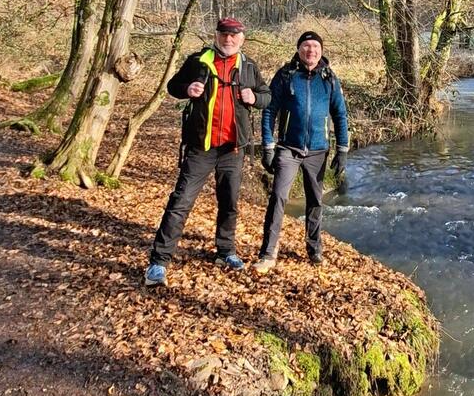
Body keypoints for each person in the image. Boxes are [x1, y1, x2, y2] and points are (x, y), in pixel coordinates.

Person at [144, 18, 269, 286]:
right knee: (181, 202)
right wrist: (187, 89)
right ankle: (158, 262)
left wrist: (255, 99)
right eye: (224, 35)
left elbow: (266, 95)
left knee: (230, 203)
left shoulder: (247, 66)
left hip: (232, 149)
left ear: (242, 39)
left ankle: (226, 252)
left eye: (234, 36)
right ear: (216, 36)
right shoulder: (198, 61)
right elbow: (173, 87)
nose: (228, 40)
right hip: (201, 147)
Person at [254, 30, 349, 273]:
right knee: (278, 197)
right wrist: (268, 146)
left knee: (315, 200)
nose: (311, 51)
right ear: (299, 49)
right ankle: (267, 252)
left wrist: (342, 149)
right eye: (306, 46)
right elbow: (269, 111)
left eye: (315, 47)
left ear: (321, 51)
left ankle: (314, 247)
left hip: (318, 150)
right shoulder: (286, 75)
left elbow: (339, 114)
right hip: (289, 148)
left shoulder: (329, 78)